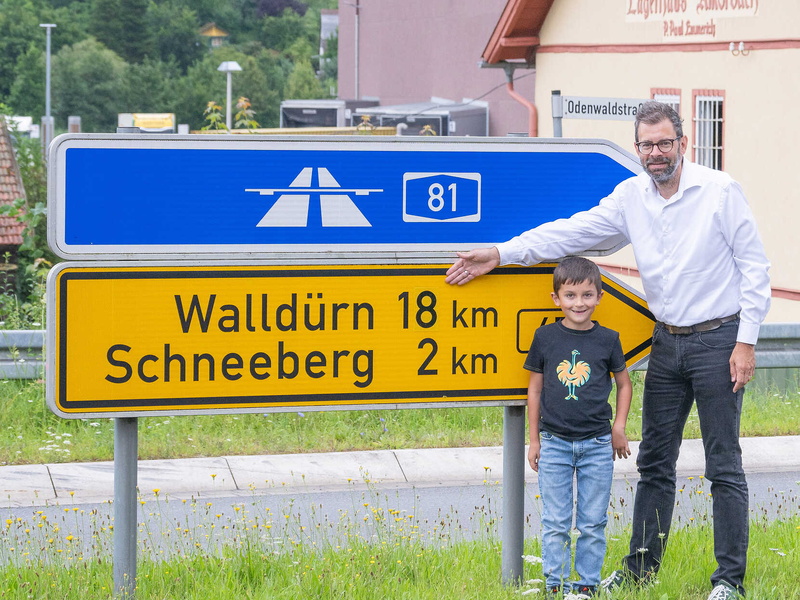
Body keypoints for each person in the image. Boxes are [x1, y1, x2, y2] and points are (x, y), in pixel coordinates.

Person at [445, 101, 771, 600]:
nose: (656, 152)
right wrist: (502, 253)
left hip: (719, 341)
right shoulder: (631, 197)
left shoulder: (720, 192)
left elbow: (755, 269)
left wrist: (745, 342)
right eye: (647, 144)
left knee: (722, 463)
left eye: (665, 142)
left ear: (683, 143)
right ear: (637, 148)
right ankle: (640, 569)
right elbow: (572, 232)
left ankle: (729, 581)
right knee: (654, 462)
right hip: (667, 342)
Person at [526, 256, 632, 599]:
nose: (579, 303)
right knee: (555, 522)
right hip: (554, 442)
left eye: (587, 295)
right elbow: (535, 389)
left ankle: (586, 585)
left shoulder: (609, 339)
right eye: (570, 296)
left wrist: (619, 426)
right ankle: (554, 586)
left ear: (600, 296)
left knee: (592, 523)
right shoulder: (544, 337)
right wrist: (534, 440)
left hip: (598, 444)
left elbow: (624, 384)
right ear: (556, 298)